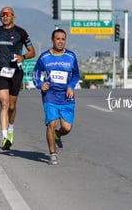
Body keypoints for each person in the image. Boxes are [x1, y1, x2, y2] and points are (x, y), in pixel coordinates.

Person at [0, 6, 35, 150]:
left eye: (7, 15)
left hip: (15, 71)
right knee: (4, 103)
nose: (5, 17)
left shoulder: (21, 32)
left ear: (13, 16)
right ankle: (5, 137)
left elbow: (32, 52)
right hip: (0, 70)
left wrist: (22, 57)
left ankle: (10, 130)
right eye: (2, 15)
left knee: (12, 106)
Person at [32, 28, 80, 165]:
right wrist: (40, 84)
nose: (60, 41)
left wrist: (71, 85)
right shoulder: (44, 57)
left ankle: (58, 135)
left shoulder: (71, 56)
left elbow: (76, 74)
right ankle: (52, 154)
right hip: (50, 96)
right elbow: (35, 73)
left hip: (66, 96)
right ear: (52, 40)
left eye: (63, 39)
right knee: (51, 123)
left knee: (67, 128)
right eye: (58, 39)